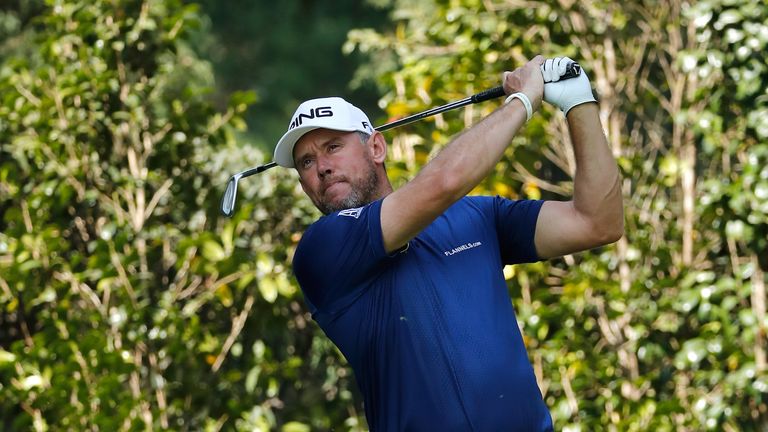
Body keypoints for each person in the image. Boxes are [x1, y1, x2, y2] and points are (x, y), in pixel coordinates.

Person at [272, 56, 623, 431]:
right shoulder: (322, 249)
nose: (321, 167)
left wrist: (578, 103)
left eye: (333, 146)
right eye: (306, 162)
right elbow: (443, 183)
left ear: (376, 148)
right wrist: (522, 102)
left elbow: (597, 222)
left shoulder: (476, 216)